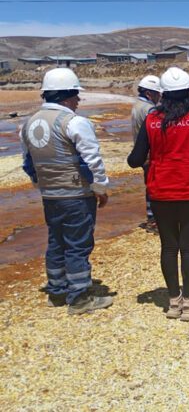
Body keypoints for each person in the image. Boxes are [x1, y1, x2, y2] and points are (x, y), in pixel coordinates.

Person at [127, 67, 189, 321]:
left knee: (169, 247)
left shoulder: (151, 121)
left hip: (160, 192)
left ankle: (173, 303)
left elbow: (134, 160)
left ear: (164, 95)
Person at [20, 67, 113, 315]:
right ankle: (80, 297)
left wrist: (41, 185)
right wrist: (101, 189)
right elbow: (92, 161)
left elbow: (28, 163)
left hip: (50, 196)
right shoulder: (74, 122)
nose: (78, 102)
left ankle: (57, 291)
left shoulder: (28, 123)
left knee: (56, 241)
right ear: (68, 96)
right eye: (77, 97)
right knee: (78, 245)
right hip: (76, 196)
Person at [131, 75, 162, 229]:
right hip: (152, 154)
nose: (159, 97)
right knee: (156, 188)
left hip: (143, 153)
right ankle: (156, 220)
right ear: (150, 93)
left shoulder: (137, 106)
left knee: (150, 187)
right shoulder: (150, 109)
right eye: (158, 94)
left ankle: (151, 217)